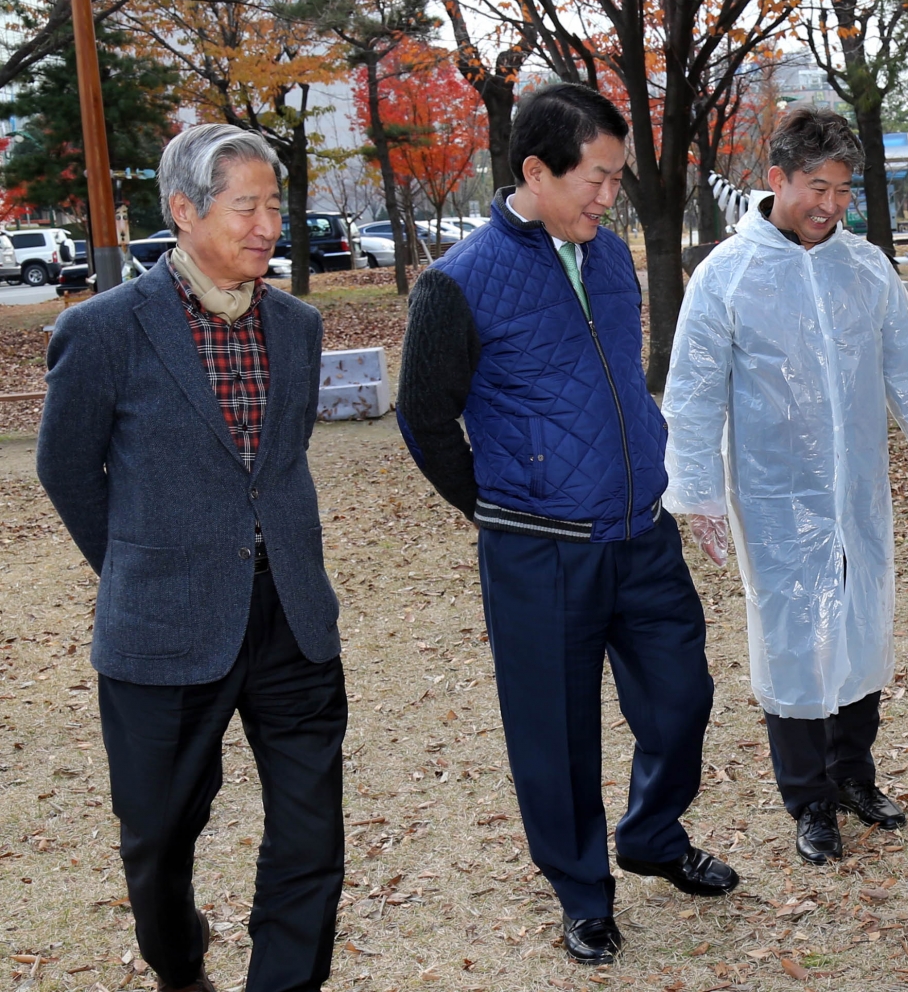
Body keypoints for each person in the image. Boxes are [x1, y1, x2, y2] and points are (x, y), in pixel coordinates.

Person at [396, 83, 734, 966]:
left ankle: (654, 835)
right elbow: (424, 418)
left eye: (617, 179)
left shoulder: (612, 256)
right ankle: (583, 893)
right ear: (535, 170)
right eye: (596, 177)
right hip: (538, 555)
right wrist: (500, 504)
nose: (607, 196)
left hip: (641, 534)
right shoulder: (456, 284)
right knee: (556, 738)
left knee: (682, 700)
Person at [36, 124, 346, 992]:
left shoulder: (298, 326)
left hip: (292, 615)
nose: (266, 224)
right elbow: (66, 468)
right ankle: (181, 968)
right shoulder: (101, 332)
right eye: (245, 205)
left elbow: (279, 463)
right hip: (161, 630)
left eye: (273, 206)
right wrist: (141, 568)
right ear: (183, 210)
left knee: (311, 832)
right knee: (158, 837)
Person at [661, 107, 908, 866]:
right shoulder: (727, 277)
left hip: (857, 493)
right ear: (775, 180)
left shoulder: (865, 267)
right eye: (816, 187)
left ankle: (853, 774)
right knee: (792, 638)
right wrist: (700, 494)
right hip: (774, 498)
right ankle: (807, 798)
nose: (830, 206)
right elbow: (695, 390)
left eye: (843, 189)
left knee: (863, 624)